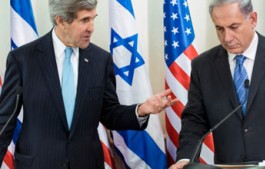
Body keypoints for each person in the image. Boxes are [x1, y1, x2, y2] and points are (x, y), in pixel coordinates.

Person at [0, 0, 177, 169]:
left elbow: (110, 114)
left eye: (93, 19)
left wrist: (142, 109)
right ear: (61, 21)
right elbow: (4, 120)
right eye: (85, 20)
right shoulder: (23, 59)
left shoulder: (101, 60)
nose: (91, 28)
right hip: (38, 163)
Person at [170, 0, 265, 168]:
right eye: (220, 29)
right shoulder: (203, 66)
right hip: (229, 165)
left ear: (252, 19)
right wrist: (185, 158)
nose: (227, 38)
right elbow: (195, 119)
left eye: (234, 27)